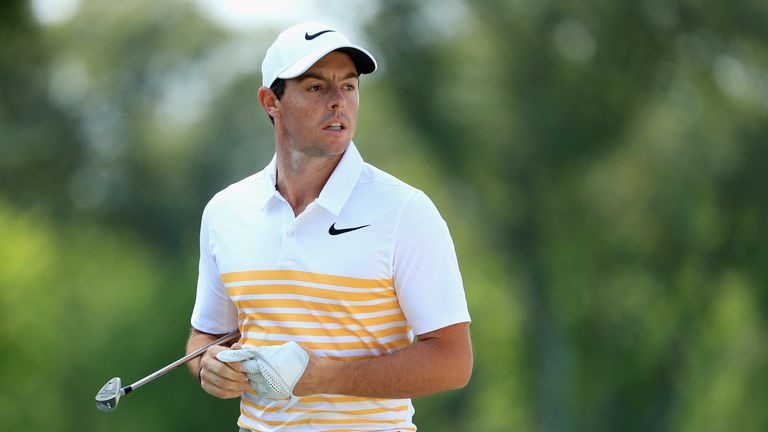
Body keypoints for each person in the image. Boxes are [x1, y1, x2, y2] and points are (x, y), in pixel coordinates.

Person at [186, 21, 472, 432]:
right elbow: (207, 337)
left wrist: (328, 377)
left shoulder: (405, 210)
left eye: (349, 86)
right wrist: (206, 367)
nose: (338, 102)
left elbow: (452, 362)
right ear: (271, 101)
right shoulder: (225, 212)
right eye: (316, 87)